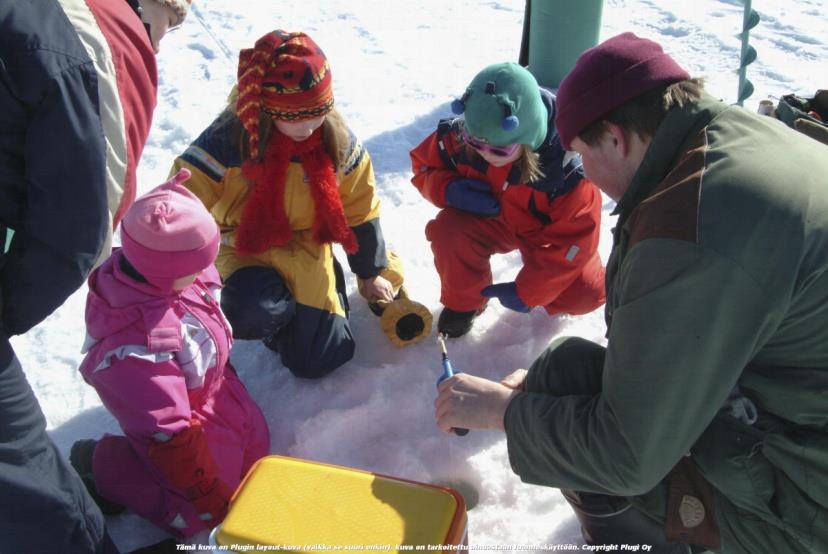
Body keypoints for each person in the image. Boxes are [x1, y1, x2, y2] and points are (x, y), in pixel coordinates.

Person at [434, 32, 828, 553]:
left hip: (807, 491)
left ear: (615, 139)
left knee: (590, 453)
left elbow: (625, 456)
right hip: (790, 405)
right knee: (560, 377)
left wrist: (499, 413)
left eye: (580, 155)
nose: (587, 177)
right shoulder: (728, 138)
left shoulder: (694, 228)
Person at [0, 0, 191, 551]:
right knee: (23, 471)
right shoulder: (91, 40)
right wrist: (7, 311)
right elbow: (82, 225)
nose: (155, 44)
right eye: (161, 25)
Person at [172, 30, 429, 379]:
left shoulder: (336, 141)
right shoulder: (230, 138)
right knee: (251, 312)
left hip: (309, 242)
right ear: (266, 109)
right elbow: (184, 197)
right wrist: (167, 263)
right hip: (244, 245)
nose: (308, 128)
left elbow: (359, 206)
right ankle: (281, 315)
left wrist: (369, 271)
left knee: (322, 360)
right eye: (293, 118)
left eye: (317, 114)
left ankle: (360, 275)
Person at [72, 169, 270, 539]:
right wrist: (203, 490)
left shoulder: (176, 273)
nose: (205, 270)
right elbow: (167, 430)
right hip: (175, 431)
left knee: (258, 457)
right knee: (205, 513)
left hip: (212, 394)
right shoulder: (138, 350)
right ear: (165, 273)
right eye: (195, 266)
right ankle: (106, 465)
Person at [410, 62, 605, 338]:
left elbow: (576, 240)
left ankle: (613, 280)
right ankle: (465, 304)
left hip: (544, 232)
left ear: (528, 136)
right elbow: (424, 167)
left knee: (584, 294)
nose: (485, 153)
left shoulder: (567, 172)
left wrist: (529, 291)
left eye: (498, 149)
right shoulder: (461, 136)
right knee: (449, 231)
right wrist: (447, 189)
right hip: (492, 219)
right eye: (475, 143)